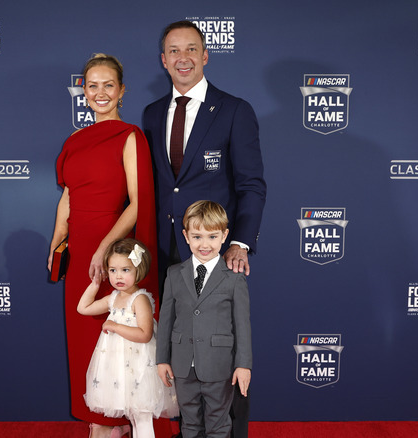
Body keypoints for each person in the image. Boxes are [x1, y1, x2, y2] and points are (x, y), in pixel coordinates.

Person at [143, 21, 265, 437]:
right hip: (168, 253)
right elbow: (159, 186)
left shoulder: (234, 110)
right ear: (163, 60)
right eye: (174, 50)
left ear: (206, 55)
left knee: (225, 348)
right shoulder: (153, 113)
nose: (183, 58)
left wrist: (241, 244)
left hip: (217, 251)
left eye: (191, 49)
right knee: (183, 348)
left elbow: (251, 185)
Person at [49, 53, 159, 438]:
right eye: (92, 85)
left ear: (121, 91)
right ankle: (97, 417)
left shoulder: (129, 136)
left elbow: (138, 203)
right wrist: (57, 242)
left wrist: (104, 249)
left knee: (115, 334)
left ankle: (116, 424)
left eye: (108, 85)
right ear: (83, 91)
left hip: (115, 253)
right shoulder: (74, 140)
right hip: (79, 250)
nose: (100, 93)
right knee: (84, 334)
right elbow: (67, 197)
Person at [156, 200, 252, 438]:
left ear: (224, 236)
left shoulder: (233, 278)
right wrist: (162, 359)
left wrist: (243, 365)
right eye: (197, 236)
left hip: (219, 366)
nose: (204, 244)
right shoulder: (174, 274)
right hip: (182, 366)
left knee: (218, 424)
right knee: (189, 424)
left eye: (212, 236)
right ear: (186, 236)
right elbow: (166, 319)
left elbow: (242, 326)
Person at [78, 239, 180, 438]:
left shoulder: (140, 299)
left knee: (142, 417)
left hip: (140, 367)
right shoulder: (113, 298)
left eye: (125, 270)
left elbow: (145, 334)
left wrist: (116, 326)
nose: (118, 276)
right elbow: (83, 308)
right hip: (120, 369)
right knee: (133, 417)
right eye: (113, 270)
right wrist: (96, 283)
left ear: (138, 270)